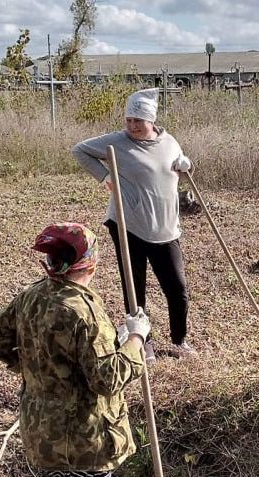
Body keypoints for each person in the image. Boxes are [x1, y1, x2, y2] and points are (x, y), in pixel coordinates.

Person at [0, 222, 149, 477]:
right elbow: (109, 377)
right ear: (90, 263)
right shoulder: (82, 312)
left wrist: (30, 368)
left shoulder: (34, 295)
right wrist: (137, 337)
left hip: (43, 428)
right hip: (85, 436)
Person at [72, 88, 195, 362]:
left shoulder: (170, 142)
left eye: (138, 121)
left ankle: (179, 340)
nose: (132, 126)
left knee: (177, 288)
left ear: (151, 120)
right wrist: (105, 176)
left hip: (166, 227)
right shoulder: (117, 142)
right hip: (128, 224)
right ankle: (143, 341)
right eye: (128, 120)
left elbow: (177, 173)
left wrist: (187, 167)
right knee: (134, 286)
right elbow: (79, 150)